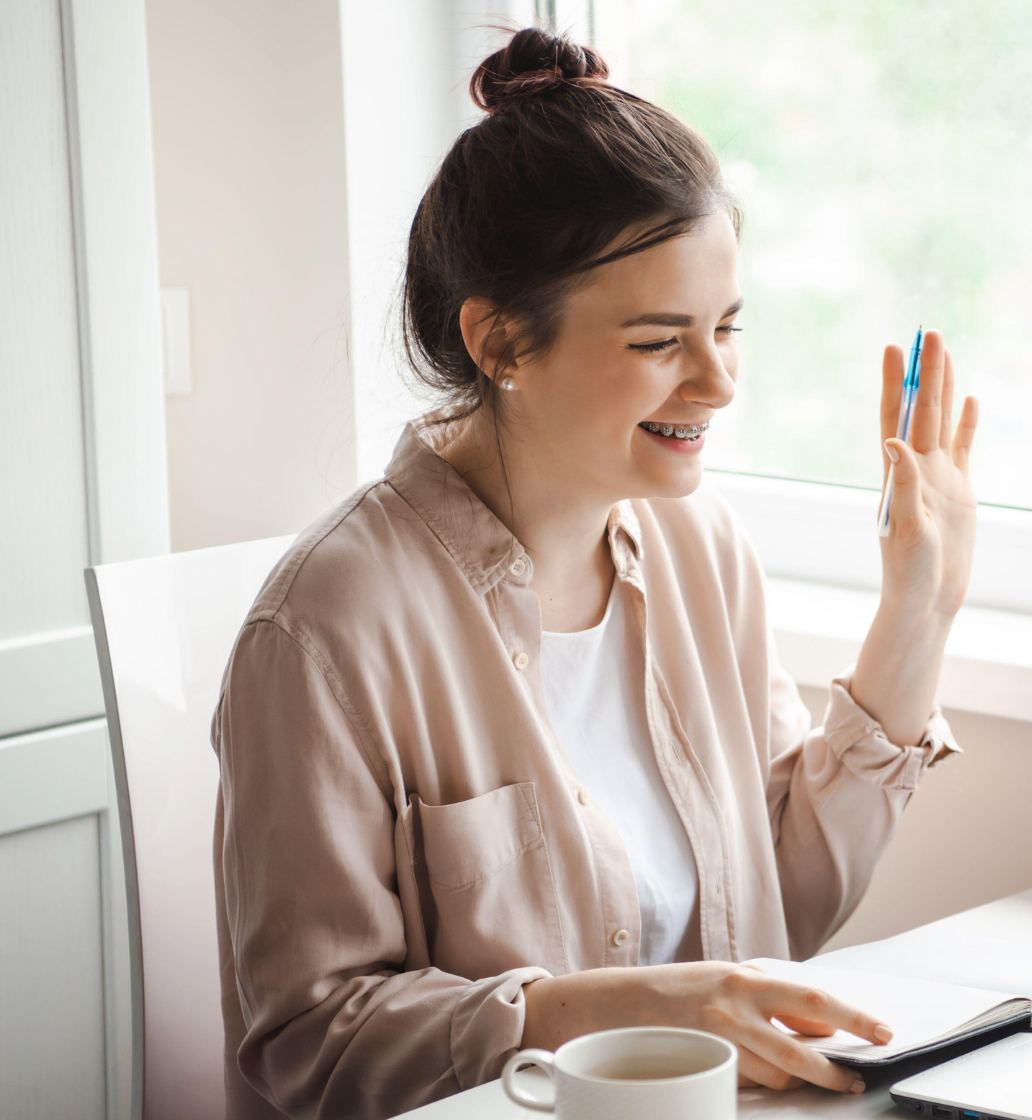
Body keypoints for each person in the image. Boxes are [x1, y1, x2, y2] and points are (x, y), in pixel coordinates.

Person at [211, 26, 979, 1120]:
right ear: (502, 344)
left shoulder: (703, 546)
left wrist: (919, 610)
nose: (716, 384)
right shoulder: (329, 627)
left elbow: (781, 909)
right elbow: (307, 1041)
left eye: (727, 327)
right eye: (661, 341)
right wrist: (621, 1008)